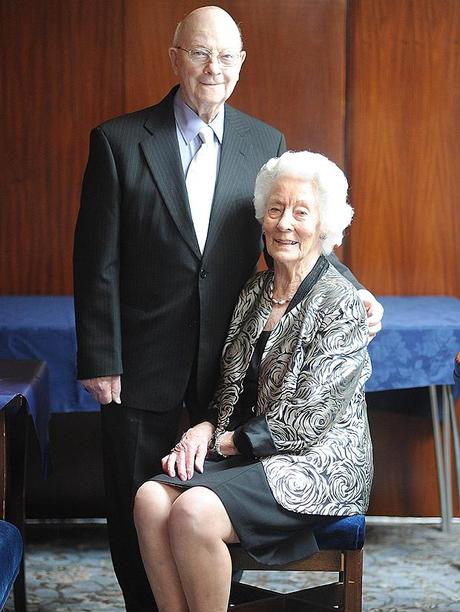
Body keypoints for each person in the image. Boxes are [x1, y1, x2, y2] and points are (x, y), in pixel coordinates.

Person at [73, 6, 382, 611]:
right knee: (136, 503)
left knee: (191, 510)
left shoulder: (263, 142)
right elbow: (96, 260)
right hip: (142, 365)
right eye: (198, 53)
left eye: (225, 56)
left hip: (227, 372)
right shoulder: (119, 141)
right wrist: (100, 359)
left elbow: (297, 230)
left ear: (241, 65)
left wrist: (353, 287)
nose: (212, 68)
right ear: (175, 59)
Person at [133, 150, 373, 612]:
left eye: (301, 212)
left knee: (193, 512)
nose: (285, 223)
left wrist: (222, 444)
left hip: (318, 464)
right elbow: (232, 388)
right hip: (252, 451)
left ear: (324, 226)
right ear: (263, 218)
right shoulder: (254, 291)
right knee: (149, 500)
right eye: (276, 209)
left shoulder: (341, 304)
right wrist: (204, 427)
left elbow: (305, 423)